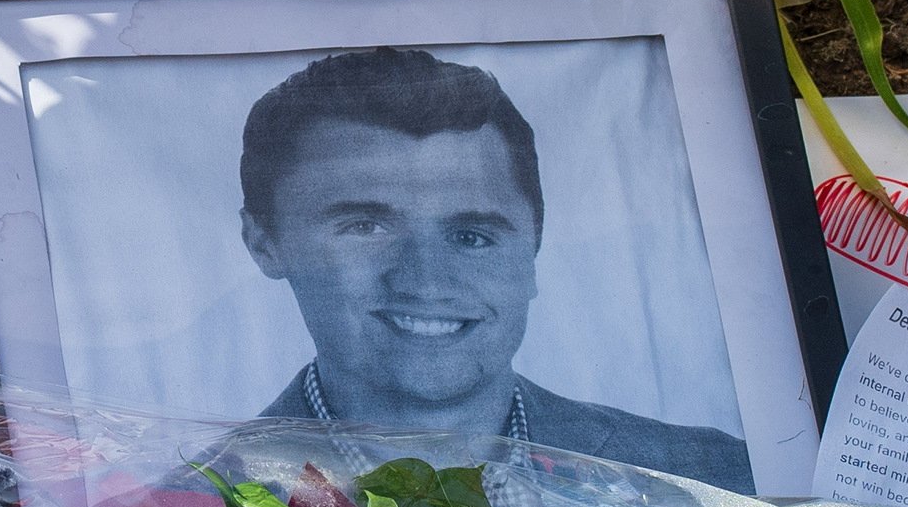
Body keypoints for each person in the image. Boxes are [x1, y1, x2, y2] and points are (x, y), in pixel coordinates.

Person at [238, 46, 748, 483]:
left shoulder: (716, 476)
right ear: (264, 242)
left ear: (534, 245)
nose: (427, 280)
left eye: (471, 236)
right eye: (366, 227)